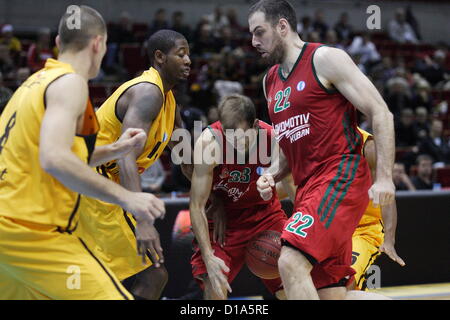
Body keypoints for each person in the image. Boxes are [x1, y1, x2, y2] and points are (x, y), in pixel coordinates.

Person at [0, 5, 164, 300]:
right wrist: (129, 198)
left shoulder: (28, 88)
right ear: (98, 44)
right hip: (32, 233)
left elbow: (55, 154)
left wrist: (118, 148)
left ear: (59, 44)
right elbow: (55, 159)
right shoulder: (71, 82)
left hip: (7, 243)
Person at [249, 0, 395, 300]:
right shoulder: (270, 82)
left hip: (340, 176)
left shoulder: (325, 58)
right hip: (308, 188)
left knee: (289, 262)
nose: (254, 42)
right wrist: (273, 175)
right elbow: (288, 147)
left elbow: (381, 112)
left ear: (282, 26)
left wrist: (384, 178)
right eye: (252, 34)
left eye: (260, 32)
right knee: (331, 295)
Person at [75, 29, 191, 300]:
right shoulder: (148, 92)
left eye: (189, 55)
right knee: (153, 274)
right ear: (160, 57)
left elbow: (185, 151)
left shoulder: (168, 98)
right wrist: (143, 221)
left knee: (119, 277)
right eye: (181, 54)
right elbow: (125, 153)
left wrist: (214, 183)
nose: (188, 61)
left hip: (104, 190)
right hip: (92, 185)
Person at [189, 94, 288, 300]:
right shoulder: (209, 143)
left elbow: (290, 182)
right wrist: (208, 257)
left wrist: (271, 178)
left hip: (265, 215)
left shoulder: (271, 137)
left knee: (291, 278)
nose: (234, 142)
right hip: (224, 223)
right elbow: (196, 206)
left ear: (255, 125)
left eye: (241, 136)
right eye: (229, 135)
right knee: (215, 283)